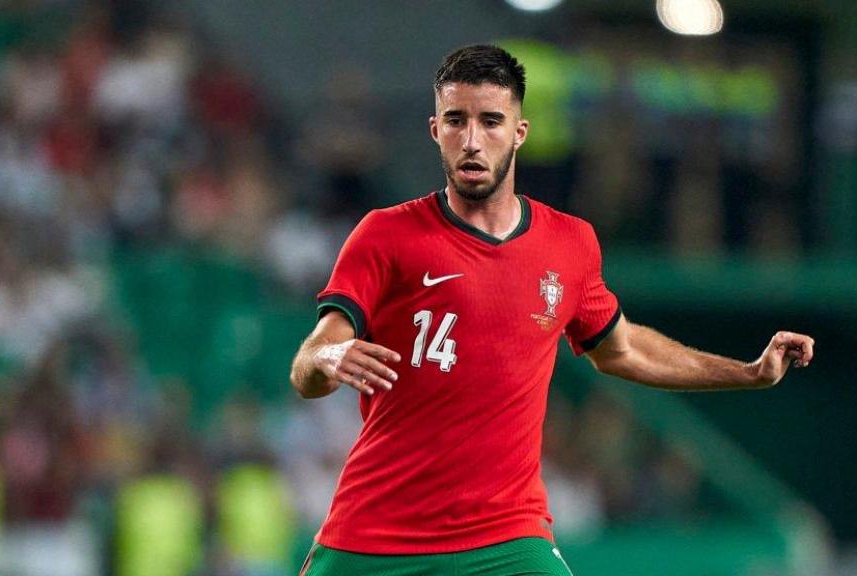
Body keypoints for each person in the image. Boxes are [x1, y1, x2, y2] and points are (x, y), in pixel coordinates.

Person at [289, 44, 815, 576]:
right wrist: (329, 355)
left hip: (505, 539)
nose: (472, 140)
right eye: (456, 120)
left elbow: (623, 351)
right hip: (377, 536)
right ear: (435, 130)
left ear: (519, 133)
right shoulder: (386, 234)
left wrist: (747, 373)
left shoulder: (569, 244)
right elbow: (312, 362)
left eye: (491, 121)